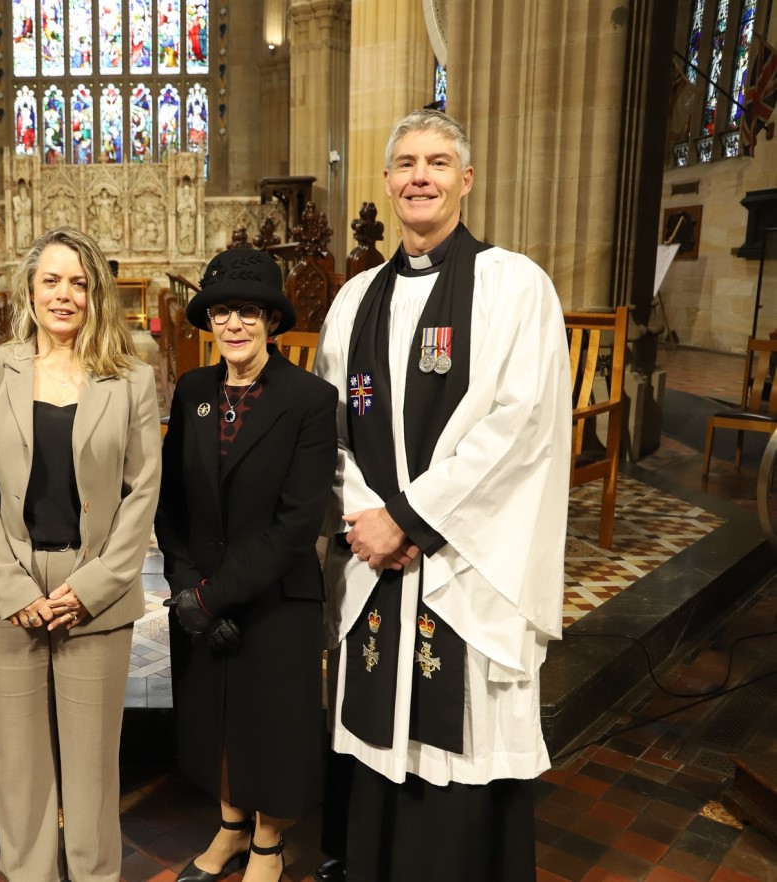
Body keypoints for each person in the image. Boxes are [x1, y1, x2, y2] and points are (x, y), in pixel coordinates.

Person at [313, 109, 571, 882]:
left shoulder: (514, 285)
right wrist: (367, 519)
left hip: (463, 563)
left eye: (436, 162)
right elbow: (328, 428)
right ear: (388, 184)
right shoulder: (354, 299)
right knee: (376, 724)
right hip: (377, 554)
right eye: (405, 164)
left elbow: (521, 425)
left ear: (465, 179)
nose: (419, 176)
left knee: (460, 736)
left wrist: (410, 520)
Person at [0, 227, 160, 882]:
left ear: (95, 293)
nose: (64, 295)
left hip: (92, 585)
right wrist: (11, 590)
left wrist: (94, 585)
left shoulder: (131, 378)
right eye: (51, 280)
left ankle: (95, 874)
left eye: (78, 282)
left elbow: (141, 491)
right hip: (7, 585)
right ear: (30, 289)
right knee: (19, 764)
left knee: (94, 766)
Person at [156, 248, 340, 882]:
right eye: (223, 311)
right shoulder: (192, 391)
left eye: (250, 312)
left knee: (271, 721)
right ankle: (232, 827)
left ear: (271, 320)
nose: (235, 324)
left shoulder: (310, 399)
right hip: (202, 593)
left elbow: (296, 527)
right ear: (208, 319)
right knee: (215, 715)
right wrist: (187, 591)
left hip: (275, 595)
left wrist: (210, 601)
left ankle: (268, 843)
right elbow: (170, 505)